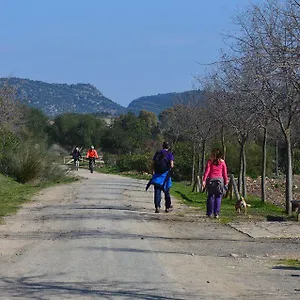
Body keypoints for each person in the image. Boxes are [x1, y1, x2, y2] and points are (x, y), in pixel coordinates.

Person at [202, 148, 228, 219]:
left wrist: (204, 180)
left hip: (211, 180)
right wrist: (226, 181)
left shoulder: (210, 162)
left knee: (210, 196)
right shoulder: (222, 162)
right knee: (218, 196)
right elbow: (224, 173)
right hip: (219, 180)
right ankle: (216, 213)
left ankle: (209, 213)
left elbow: (207, 171)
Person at [150, 141, 174, 213]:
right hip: (165, 176)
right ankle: (167, 207)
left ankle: (157, 206)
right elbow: (172, 165)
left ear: (162, 146)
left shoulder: (157, 153)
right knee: (166, 192)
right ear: (169, 147)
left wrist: (152, 171)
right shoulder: (170, 154)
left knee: (157, 192)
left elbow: (153, 163)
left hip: (157, 176)